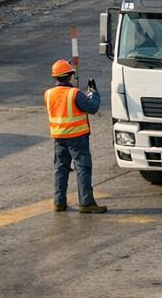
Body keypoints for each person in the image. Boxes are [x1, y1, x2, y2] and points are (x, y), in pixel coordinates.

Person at [46, 59, 106, 213]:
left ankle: (59, 202)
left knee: (61, 168)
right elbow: (92, 107)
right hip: (77, 137)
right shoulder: (75, 93)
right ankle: (86, 203)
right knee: (83, 168)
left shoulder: (48, 94)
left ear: (56, 77)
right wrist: (93, 93)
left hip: (58, 137)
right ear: (70, 75)